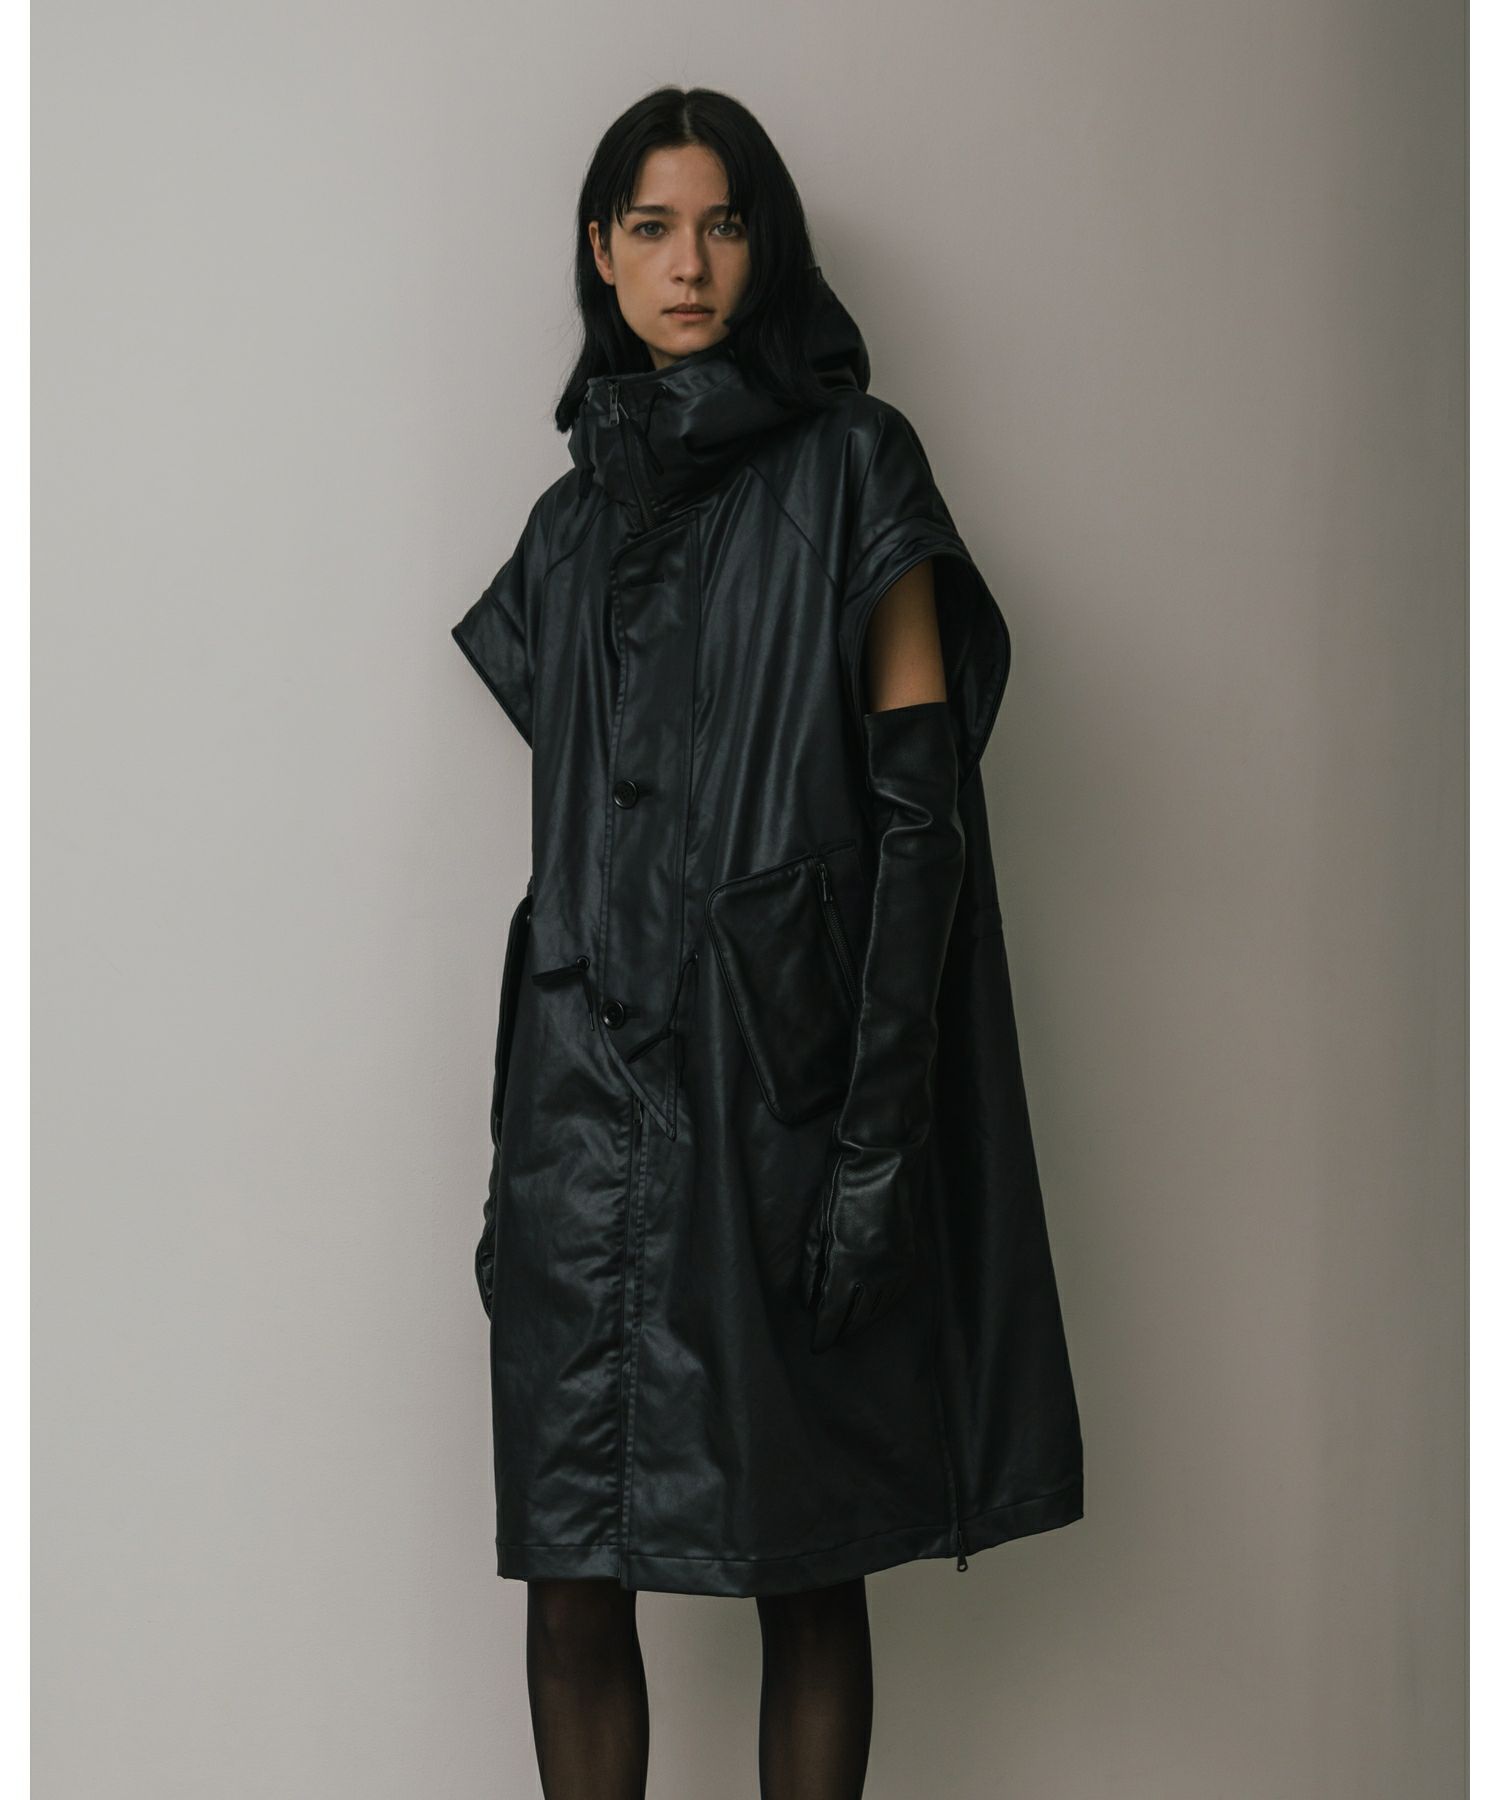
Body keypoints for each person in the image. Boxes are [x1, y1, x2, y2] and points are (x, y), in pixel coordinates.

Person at [451, 85, 1083, 1800]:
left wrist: (874, 1144)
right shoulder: (564, 532)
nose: (689, 264)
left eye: (723, 224)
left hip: (773, 1110)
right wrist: (516, 1159)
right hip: (579, 1128)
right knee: (571, 1575)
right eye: (652, 227)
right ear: (599, 252)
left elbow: (920, 828)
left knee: (805, 1563)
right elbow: (577, 853)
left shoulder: (855, 467)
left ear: (768, 248)